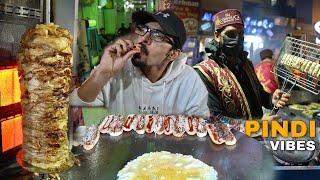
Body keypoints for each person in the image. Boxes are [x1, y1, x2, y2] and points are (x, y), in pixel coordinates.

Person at [70, 10, 210, 117]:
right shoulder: (118, 70)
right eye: (143, 30)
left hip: (169, 154)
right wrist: (103, 72)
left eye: (157, 35)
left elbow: (199, 134)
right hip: (121, 153)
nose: (143, 39)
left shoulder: (190, 82)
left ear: (173, 54)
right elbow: (75, 102)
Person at [194, 9, 290, 123]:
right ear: (217, 35)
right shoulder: (204, 72)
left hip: (258, 138)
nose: (237, 38)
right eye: (231, 34)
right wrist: (257, 125)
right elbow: (213, 118)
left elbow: (259, 94)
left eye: (241, 33)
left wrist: (271, 99)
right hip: (231, 140)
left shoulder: (246, 64)